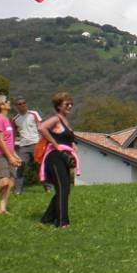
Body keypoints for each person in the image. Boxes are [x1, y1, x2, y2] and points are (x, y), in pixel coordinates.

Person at [38, 92, 79, 228]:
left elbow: (67, 139)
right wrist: (55, 145)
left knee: (65, 189)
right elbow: (42, 127)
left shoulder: (65, 121)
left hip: (63, 158)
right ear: (58, 106)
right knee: (62, 188)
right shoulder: (56, 119)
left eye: (71, 103)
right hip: (55, 157)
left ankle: (47, 219)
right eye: (67, 104)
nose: (70, 106)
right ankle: (62, 222)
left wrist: (72, 147)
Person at [12, 96, 43, 194]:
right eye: (19, 104)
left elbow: (41, 127)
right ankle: (18, 190)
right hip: (23, 146)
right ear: (16, 106)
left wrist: (43, 142)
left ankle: (48, 187)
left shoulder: (34, 114)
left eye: (23, 103)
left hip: (36, 143)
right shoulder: (15, 119)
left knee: (41, 166)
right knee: (20, 166)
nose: (22, 105)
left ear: (26, 104)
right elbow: (14, 133)